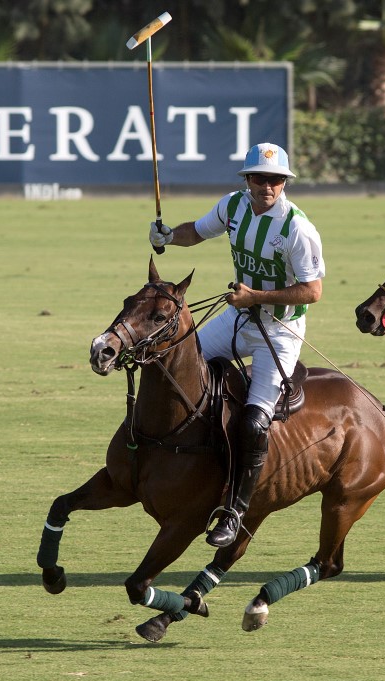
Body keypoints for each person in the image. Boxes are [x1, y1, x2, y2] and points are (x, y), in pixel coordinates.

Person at [148, 142, 325, 547]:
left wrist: (257, 297)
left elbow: (313, 291)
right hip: (238, 318)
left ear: (284, 183)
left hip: (279, 333)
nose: (268, 186)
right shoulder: (234, 206)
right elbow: (198, 230)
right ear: (247, 181)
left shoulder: (297, 228)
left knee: (253, 420)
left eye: (277, 179)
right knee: (171, 365)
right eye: (260, 178)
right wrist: (168, 236)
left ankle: (235, 508)